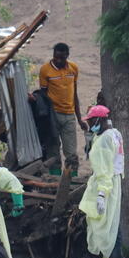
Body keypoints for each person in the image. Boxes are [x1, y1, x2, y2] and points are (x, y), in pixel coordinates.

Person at [78, 105, 125, 258]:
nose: (90, 125)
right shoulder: (113, 134)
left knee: (107, 227)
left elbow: (105, 170)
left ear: (100, 119)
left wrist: (101, 194)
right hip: (109, 183)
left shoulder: (105, 139)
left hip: (106, 186)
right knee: (102, 225)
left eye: (91, 121)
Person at [29, 43, 84, 175]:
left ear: (67, 56)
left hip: (69, 116)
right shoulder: (45, 70)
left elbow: (74, 93)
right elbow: (43, 95)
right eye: (56, 57)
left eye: (62, 58)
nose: (58, 61)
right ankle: (55, 182)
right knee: (53, 151)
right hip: (53, 116)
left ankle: (72, 183)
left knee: (71, 154)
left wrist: (80, 119)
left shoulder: (73, 69)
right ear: (53, 55)